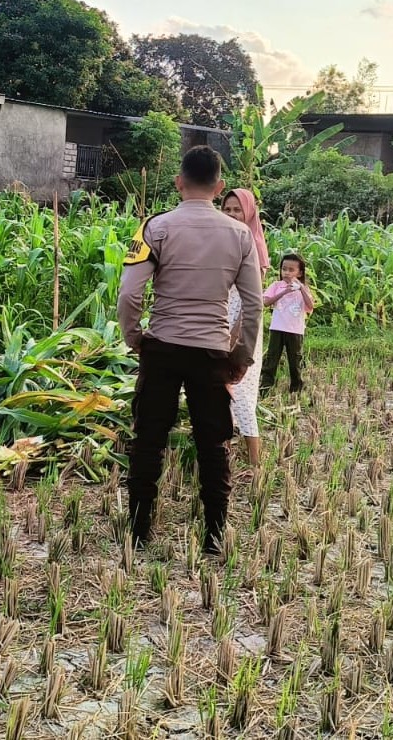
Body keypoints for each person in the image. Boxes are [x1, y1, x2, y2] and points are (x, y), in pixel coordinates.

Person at [117, 146, 263, 553]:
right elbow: (252, 306)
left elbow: (129, 293)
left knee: (149, 438)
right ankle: (214, 536)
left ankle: (139, 531)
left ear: (179, 182)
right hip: (212, 353)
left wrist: (136, 338)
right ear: (219, 187)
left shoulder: (154, 227)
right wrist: (242, 356)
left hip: (162, 347)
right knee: (213, 443)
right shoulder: (240, 235)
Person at [222, 188, 269, 467]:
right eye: (226, 209)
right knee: (221, 394)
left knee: (241, 395)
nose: (231, 215)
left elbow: (253, 301)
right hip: (220, 325)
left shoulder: (253, 246)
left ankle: (255, 462)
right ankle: (224, 452)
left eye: (237, 210)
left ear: (249, 213)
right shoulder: (220, 242)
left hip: (242, 331)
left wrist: (236, 336)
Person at [259, 253, 316, 394]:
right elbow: (266, 302)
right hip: (277, 328)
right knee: (271, 359)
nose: (287, 273)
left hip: (295, 331)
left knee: (295, 360)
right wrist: (283, 293)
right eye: (284, 269)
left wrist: (301, 288)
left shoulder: (303, 289)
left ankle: (296, 389)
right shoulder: (276, 285)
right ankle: (265, 387)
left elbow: (310, 307)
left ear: (300, 272)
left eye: (291, 270)